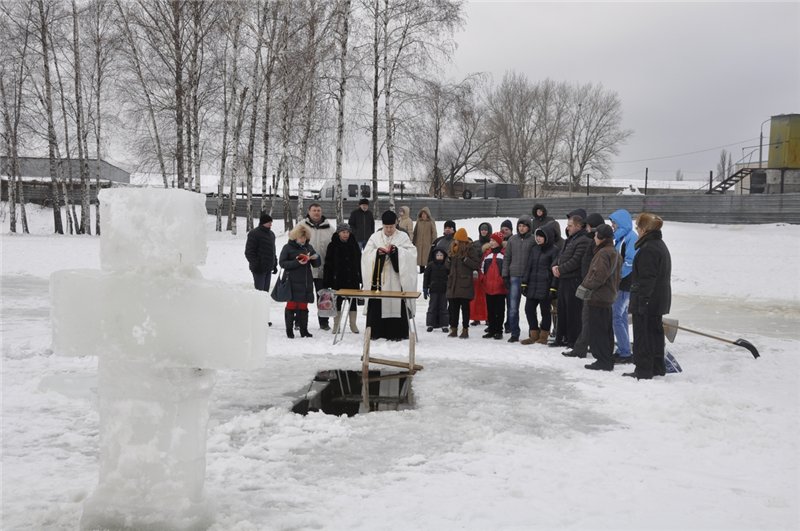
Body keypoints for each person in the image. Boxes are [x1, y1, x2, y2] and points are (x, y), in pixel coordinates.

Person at [625, 213, 671, 380]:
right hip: (657, 300)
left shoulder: (649, 248)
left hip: (648, 301)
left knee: (644, 335)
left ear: (644, 229)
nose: (637, 230)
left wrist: (642, 301)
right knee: (654, 334)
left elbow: (647, 279)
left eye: (638, 227)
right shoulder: (658, 244)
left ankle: (644, 370)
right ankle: (657, 367)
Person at [361, 210, 418, 340]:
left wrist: (397, 252)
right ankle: (376, 332)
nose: (388, 230)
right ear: (382, 225)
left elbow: (411, 254)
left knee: (397, 302)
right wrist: (377, 254)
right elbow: (366, 255)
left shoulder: (402, 236)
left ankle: (397, 333)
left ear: (395, 224)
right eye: (386, 227)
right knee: (378, 305)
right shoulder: (375, 237)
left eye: (391, 227)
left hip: (397, 280)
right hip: (379, 279)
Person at [562, 212, 605, 358]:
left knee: (587, 318)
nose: (585, 228)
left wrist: (587, 283)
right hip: (586, 283)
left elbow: (594, 268)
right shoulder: (591, 242)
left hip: (591, 286)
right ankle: (582, 347)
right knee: (585, 316)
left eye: (587, 226)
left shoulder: (594, 244)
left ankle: (585, 348)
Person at [580, 224, 622, 371]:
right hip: (608, 296)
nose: (594, 238)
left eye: (596, 235)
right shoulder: (614, 251)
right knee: (606, 330)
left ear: (602, 238)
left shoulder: (603, 253)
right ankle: (606, 358)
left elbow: (598, 276)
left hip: (598, 297)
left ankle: (602, 360)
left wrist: (586, 284)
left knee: (598, 330)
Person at [551, 215, 592, 348]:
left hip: (574, 280)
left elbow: (576, 261)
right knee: (562, 310)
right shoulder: (569, 240)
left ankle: (572, 339)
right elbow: (561, 256)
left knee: (573, 312)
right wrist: (555, 266)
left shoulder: (583, 240)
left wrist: (560, 269)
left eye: (570, 225)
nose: (567, 228)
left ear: (578, 226)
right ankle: (561, 337)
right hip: (563, 279)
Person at [520, 222, 559, 345]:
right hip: (532, 285)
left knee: (545, 312)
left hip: (546, 286)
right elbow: (528, 267)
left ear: (547, 237)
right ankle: (534, 334)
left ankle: (543, 336)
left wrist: (553, 287)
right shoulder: (534, 249)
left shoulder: (554, 250)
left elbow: (556, 270)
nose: (538, 238)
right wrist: (524, 283)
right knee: (529, 309)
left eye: (541, 236)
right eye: (537, 236)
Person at [278, 224, 320, 339]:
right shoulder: (288, 248)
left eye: (305, 237)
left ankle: (304, 330)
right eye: (301, 237)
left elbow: (316, 265)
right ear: (295, 237)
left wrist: (316, 258)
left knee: (303, 306)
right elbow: (282, 263)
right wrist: (297, 262)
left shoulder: (308, 247)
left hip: (305, 281)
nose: (303, 240)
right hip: (291, 281)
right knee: (291, 305)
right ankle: (289, 330)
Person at [608, 209, 638, 364]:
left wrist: (617, 276)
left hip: (626, 284)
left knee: (617, 317)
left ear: (620, 223)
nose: (612, 226)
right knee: (621, 317)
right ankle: (623, 348)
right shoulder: (621, 238)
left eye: (614, 223)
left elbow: (630, 261)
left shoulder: (630, 238)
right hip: (622, 284)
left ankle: (625, 352)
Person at [301, 203, 336, 331]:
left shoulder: (330, 229)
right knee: (302, 296)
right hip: (305, 269)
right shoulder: (301, 226)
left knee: (324, 296)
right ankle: (299, 321)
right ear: (309, 212)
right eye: (314, 210)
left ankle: (324, 322)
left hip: (323, 270)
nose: (316, 213)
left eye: (319, 210)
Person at [323, 222, 362, 334]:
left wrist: (361, 277)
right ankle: (336, 325)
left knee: (353, 302)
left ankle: (353, 324)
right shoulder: (332, 245)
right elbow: (328, 264)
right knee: (337, 302)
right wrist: (327, 281)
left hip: (353, 278)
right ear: (338, 233)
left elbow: (360, 262)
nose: (346, 234)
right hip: (338, 279)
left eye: (347, 232)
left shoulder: (354, 244)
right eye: (343, 232)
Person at [501, 215, 536, 342]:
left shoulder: (533, 240)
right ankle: (514, 332)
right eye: (520, 226)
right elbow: (507, 258)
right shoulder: (512, 240)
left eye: (524, 226)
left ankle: (534, 331)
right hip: (514, 275)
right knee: (513, 306)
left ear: (529, 227)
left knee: (530, 307)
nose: (521, 228)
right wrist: (505, 274)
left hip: (529, 277)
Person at [446, 228, 481, 338]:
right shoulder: (452, 249)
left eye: (457, 239)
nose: (455, 241)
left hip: (464, 284)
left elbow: (476, 265)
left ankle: (465, 329)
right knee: (453, 308)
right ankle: (454, 329)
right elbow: (447, 267)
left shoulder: (470, 249)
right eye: (455, 239)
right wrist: (448, 261)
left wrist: (466, 260)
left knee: (465, 309)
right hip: (453, 284)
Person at [480, 232, 507, 339]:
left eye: (494, 241)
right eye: (490, 240)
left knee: (499, 310)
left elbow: (505, 269)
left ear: (499, 242)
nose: (491, 242)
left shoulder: (503, 254)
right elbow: (482, 268)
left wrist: (502, 280)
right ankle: (491, 329)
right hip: (488, 287)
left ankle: (498, 330)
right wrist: (483, 279)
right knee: (490, 310)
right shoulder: (487, 254)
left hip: (500, 288)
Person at [244, 211, 277, 294]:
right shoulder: (254, 233)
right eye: (269, 222)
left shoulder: (271, 234)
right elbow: (249, 252)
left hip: (268, 267)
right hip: (259, 269)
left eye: (271, 222)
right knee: (259, 293)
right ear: (263, 222)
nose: (270, 224)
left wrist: (274, 264)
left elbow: (273, 250)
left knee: (265, 293)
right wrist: (256, 264)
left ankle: (263, 307)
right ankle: (257, 307)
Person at [469, 222, 492, 325]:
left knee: (487, 297)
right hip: (477, 273)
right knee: (476, 297)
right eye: (482, 229)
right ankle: (476, 317)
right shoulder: (475, 243)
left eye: (485, 229)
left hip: (488, 273)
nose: (483, 231)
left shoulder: (492, 243)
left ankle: (488, 317)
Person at [423, 249, 450, 333]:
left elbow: (450, 276)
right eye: (437, 255)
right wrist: (425, 288)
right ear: (435, 256)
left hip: (444, 290)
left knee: (443, 307)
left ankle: (444, 325)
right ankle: (430, 324)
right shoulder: (431, 265)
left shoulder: (446, 265)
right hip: (433, 290)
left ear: (444, 256)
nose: (439, 257)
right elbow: (426, 277)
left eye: (441, 255)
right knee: (432, 307)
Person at [412, 207, 437, 274]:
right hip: (419, 243)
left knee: (427, 257)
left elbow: (434, 232)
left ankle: (428, 271)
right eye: (422, 214)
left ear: (427, 215)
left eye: (425, 214)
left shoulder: (431, 222)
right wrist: (413, 241)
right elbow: (415, 232)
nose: (423, 215)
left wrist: (434, 242)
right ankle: (421, 270)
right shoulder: (419, 222)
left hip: (427, 243)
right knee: (420, 258)